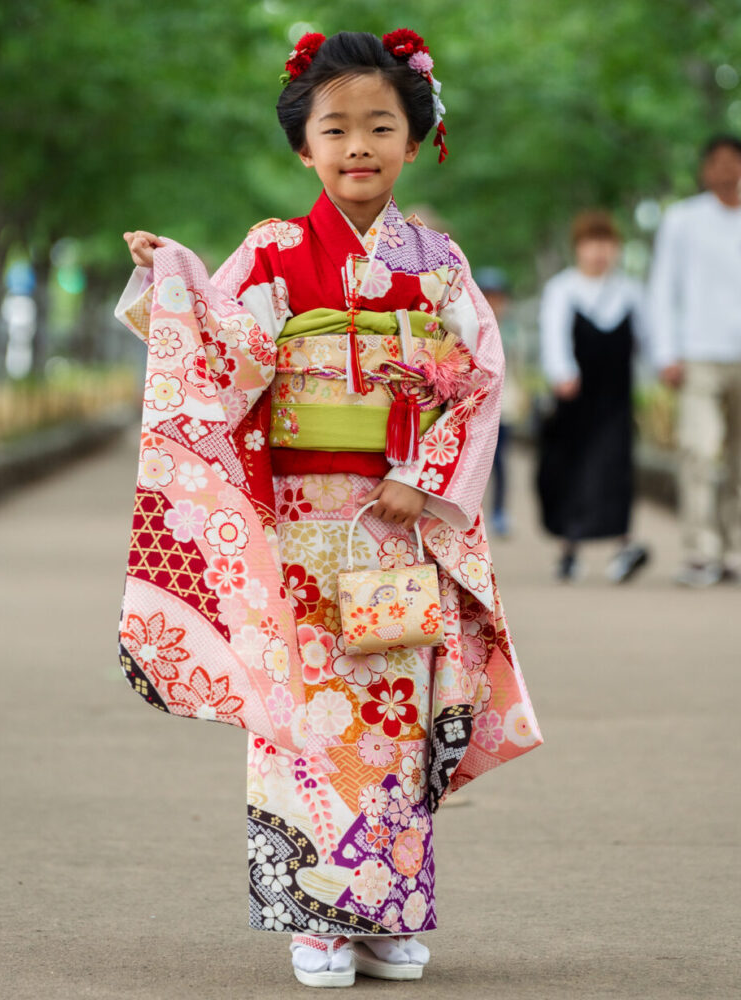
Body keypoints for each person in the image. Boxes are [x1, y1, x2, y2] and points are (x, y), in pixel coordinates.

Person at [116, 30, 541, 988]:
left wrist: (426, 479)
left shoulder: (437, 263)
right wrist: (170, 275)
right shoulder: (273, 253)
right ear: (303, 147)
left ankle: (387, 910)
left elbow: (479, 377)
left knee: (393, 711)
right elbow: (220, 351)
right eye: (335, 128)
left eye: (380, 125)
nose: (358, 145)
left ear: (415, 136)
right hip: (295, 521)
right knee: (303, 714)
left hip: (393, 519)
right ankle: (316, 916)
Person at [647, 134, 741, 587]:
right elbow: (663, 288)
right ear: (705, 169)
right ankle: (702, 552)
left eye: (733, 161)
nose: (725, 169)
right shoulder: (683, 219)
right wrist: (666, 351)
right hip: (699, 355)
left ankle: (733, 549)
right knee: (698, 450)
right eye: (717, 161)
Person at [536, 211, 650, 582]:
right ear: (579, 248)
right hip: (576, 396)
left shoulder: (629, 291)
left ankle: (624, 544)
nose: (599, 252)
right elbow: (553, 336)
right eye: (591, 244)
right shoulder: (563, 289)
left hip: (616, 395)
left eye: (606, 244)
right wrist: (562, 372)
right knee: (572, 466)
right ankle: (570, 549)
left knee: (616, 466)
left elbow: (649, 337)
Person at [474, 267, 519, 537]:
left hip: (504, 407)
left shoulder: (511, 333)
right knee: (474, 463)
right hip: (477, 406)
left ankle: (499, 511)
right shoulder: (470, 327)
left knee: (500, 462)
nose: (493, 303)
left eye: (497, 297)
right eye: (487, 296)